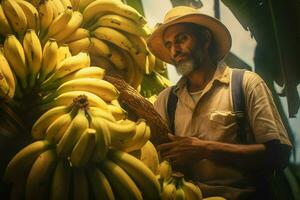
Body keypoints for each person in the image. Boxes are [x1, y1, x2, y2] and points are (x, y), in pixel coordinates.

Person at [147, 6, 292, 200]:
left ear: (206, 39)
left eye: (182, 39)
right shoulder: (166, 100)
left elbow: (278, 154)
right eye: (169, 44)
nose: (175, 50)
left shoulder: (245, 84)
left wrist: (205, 149)